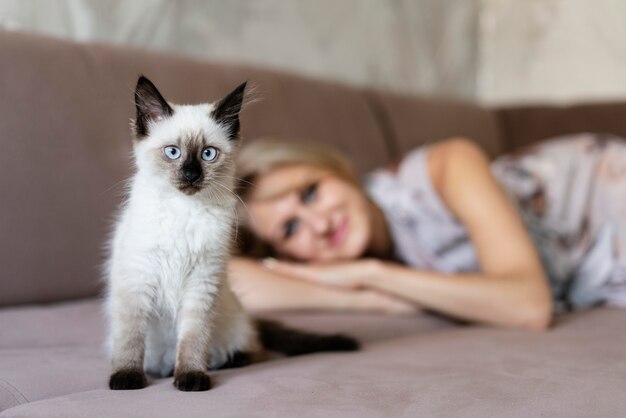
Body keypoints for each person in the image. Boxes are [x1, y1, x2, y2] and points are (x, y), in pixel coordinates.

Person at [227, 133, 626, 330]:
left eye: (311, 192)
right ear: (287, 255)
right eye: (291, 228)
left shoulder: (448, 164)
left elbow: (529, 306)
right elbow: (222, 278)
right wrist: (372, 301)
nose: (320, 224)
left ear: (336, 169)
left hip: (609, 193)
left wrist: (371, 276)